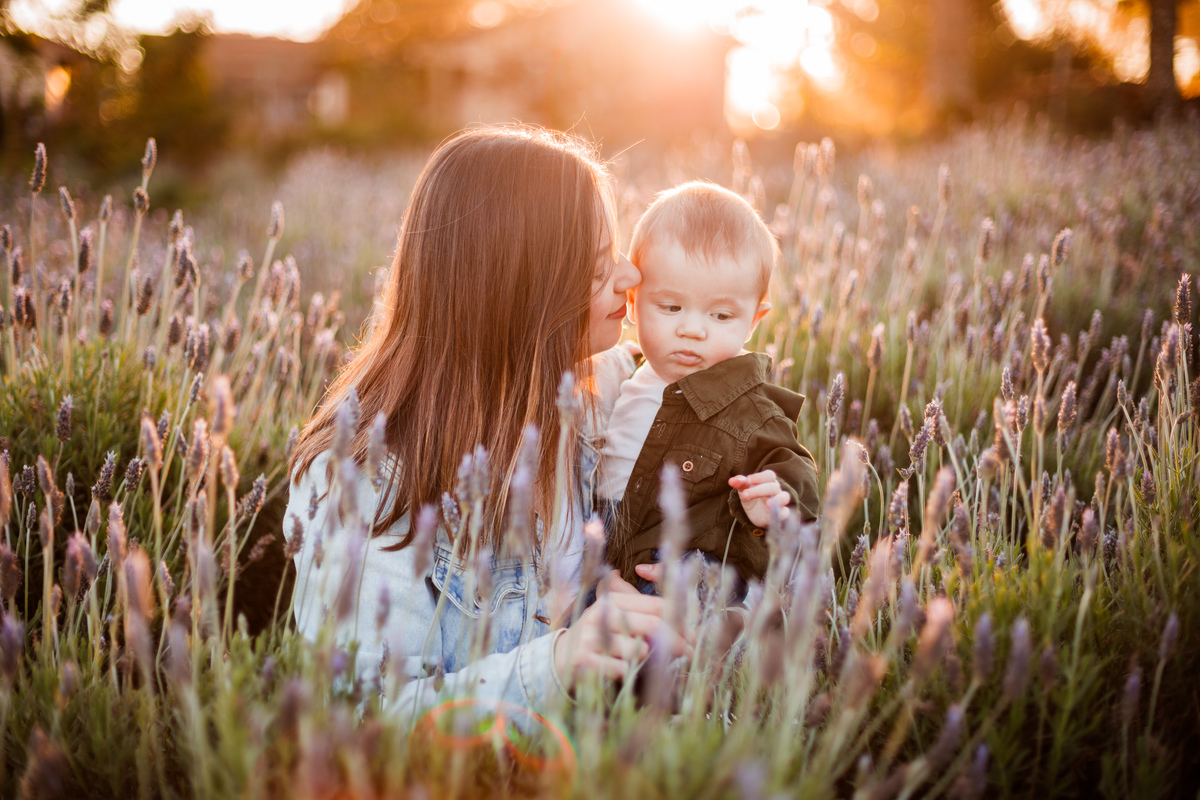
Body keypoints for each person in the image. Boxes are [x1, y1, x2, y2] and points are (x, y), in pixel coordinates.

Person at [283, 126, 690, 716]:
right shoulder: (365, 482)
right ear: (523, 287)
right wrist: (557, 663)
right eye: (600, 266)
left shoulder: (616, 396)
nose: (631, 279)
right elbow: (359, 715)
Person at [597, 181, 821, 596]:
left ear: (754, 321)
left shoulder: (750, 411)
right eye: (671, 307)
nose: (692, 329)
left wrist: (775, 498)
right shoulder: (625, 375)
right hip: (602, 552)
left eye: (720, 316)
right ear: (632, 302)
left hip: (675, 570)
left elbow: (795, 468)